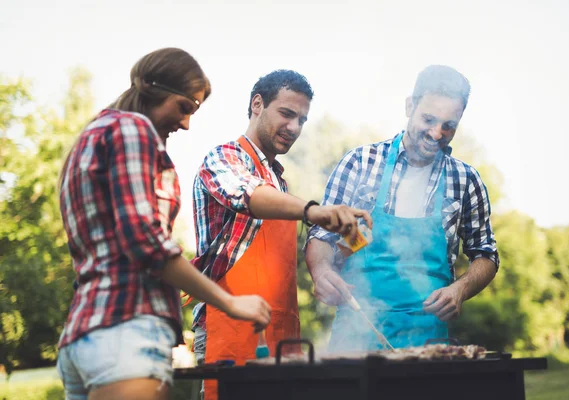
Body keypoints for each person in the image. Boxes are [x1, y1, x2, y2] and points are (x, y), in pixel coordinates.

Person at [56, 47, 271, 400]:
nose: (186, 123)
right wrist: (231, 304)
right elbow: (147, 243)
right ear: (154, 88)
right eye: (185, 107)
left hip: (85, 334)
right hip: (126, 330)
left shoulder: (90, 137)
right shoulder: (132, 128)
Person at [190, 69, 372, 400]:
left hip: (283, 337)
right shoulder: (224, 158)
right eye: (286, 114)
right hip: (230, 332)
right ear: (257, 104)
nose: (294, 128)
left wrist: (335, 261)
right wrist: (314, 211)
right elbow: (247, 194)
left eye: (302, 120)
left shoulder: (281, 184)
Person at [305, 65, 499, 352]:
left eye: (449, 126)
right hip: (356, 337)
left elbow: (486, 254)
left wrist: (460, 288)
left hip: (430, 343)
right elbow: (322, 235)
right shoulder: (359, 163)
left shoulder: (466, 180)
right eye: (429, 119)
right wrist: (321, 270)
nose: (436, 133)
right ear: (410, 106)